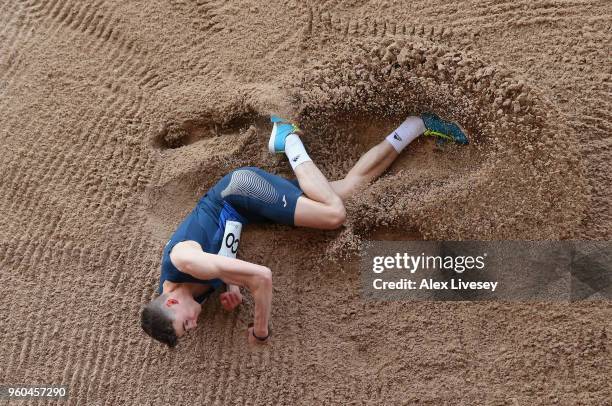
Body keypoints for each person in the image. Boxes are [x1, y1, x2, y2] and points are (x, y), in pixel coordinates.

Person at [140, 112, 468, 347]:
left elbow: (262, 277)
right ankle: (416, 125)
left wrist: (261, 330)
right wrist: (230, 283)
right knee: (349, 190)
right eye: (190, 329)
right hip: (244, 209)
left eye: (187, 324)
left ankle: (289, 139)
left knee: (334, 215)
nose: (194, 324)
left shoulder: (183, 262)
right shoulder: (185, 290)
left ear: (170, 303)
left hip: (241, 192)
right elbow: (220, 242)